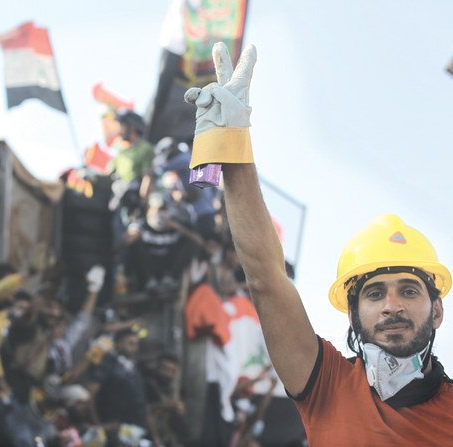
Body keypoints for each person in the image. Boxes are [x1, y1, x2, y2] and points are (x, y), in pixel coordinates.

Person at [184, 42, 453, 444]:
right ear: (352, 314)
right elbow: (266, 278)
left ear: (436, 310)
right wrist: (229, 144)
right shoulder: (326, 383)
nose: (392, 305)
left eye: (409, 291)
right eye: (375, 293)